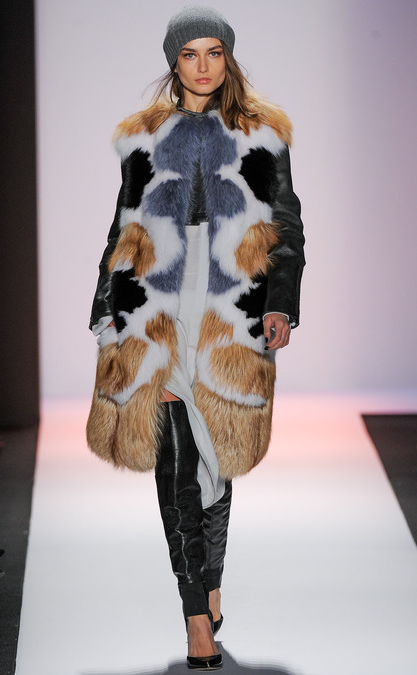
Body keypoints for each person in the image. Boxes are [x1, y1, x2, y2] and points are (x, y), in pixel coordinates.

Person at [87, 5, 305, 670]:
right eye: (190, 54)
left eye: (214, 52)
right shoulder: (144, 136)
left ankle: (210, 580)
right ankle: (194, 615)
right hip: (157, 312)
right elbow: (123, 230)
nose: (203, 65)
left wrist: (280, 304)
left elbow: (285, 229)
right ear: (174, 61)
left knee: (217, 456)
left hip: (230, 314)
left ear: (227, 58)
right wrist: (105, 313)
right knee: (176, 460)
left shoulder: (263, 133)